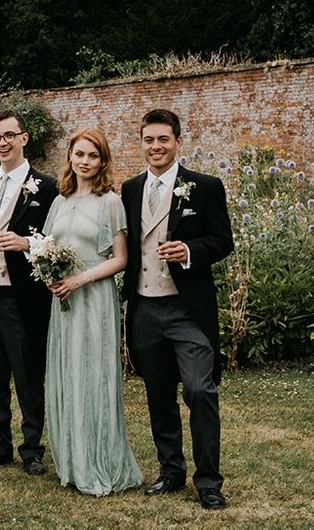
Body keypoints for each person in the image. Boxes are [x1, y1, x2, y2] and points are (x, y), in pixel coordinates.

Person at [121, 109, 233, 510]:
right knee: (158, 394)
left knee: (200, 390)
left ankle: (208, 481)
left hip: (188, 311)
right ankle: (171, 471)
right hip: (145, 308)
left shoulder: (204, 187)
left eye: (163, 139)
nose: (156, 147)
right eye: (149, 140)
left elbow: (222, 241)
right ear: (142, 143)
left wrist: (188, 251)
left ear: (177, 142)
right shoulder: (130, 189)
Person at [42, 129, 141, 495]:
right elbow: (48, 248)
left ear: (102, 161)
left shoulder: (110, 202)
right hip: (63, 302)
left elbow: (121, 259)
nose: (84, 161)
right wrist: (50, 277)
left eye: (93, 156)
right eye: (79, 154)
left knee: (93, 376)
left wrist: (80, 279)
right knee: (68, 375)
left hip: (93, 298)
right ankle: (72, 460)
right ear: (69, 155)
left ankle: (99, 460)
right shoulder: (60, 200)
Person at [0, 109, 57, 475]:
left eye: (8, 135)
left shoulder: (46, 186)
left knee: (27, 373)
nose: (1, 143)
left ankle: (32, 448)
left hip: (23, 296)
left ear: (24, 138)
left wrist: (25, 243)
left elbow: (57, 242)